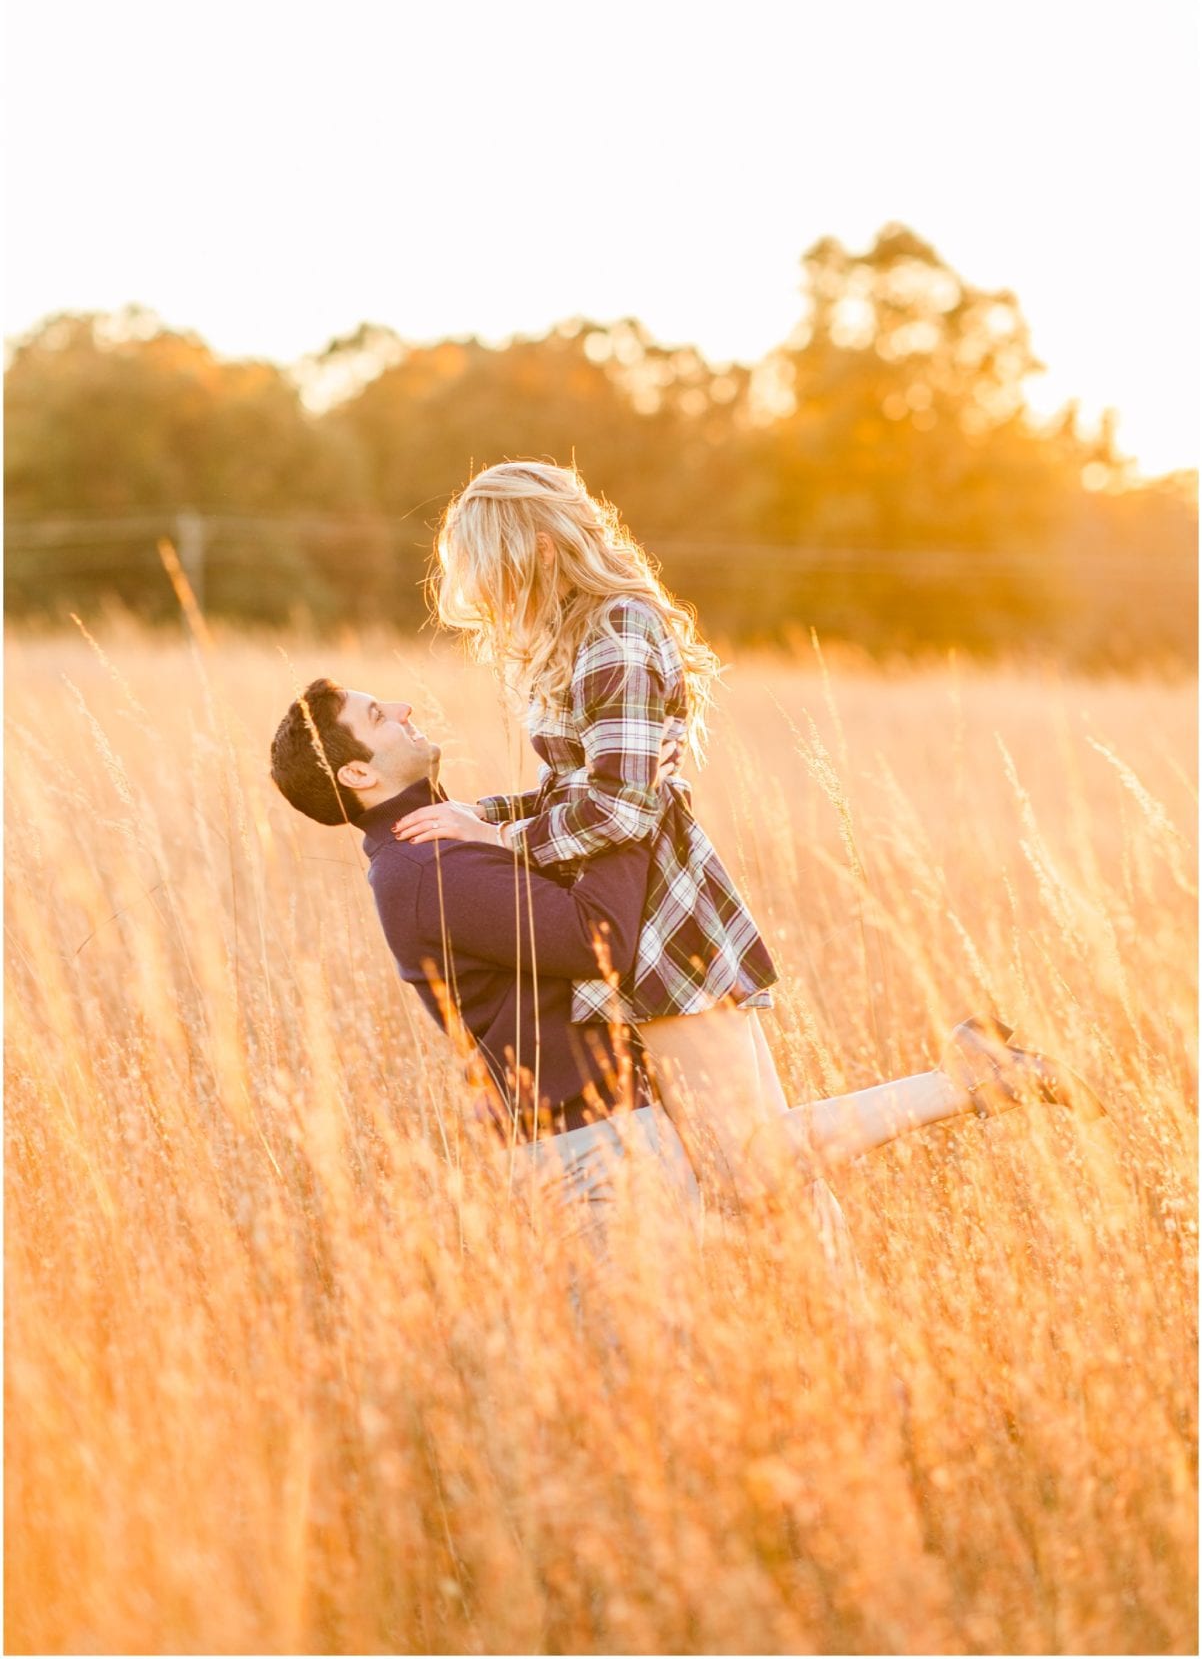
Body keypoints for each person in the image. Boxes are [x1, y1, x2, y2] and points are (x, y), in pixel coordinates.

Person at [390, 459, 1106, 1206]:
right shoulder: (584, 634)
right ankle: (843, 1296)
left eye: (491, 566)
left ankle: (966, 1081)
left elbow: (621, 810)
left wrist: (498, 842)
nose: (486, 593)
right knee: (760, 1174)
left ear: (540, 548)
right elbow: (583, 785)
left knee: (749, 1170)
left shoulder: (616, 633)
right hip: (632, 905)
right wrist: (491, 814)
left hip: (659, 913)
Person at [269, 672, 1106, 1255]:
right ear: (356, 772)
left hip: (624, 1128)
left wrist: (613, 793)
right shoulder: (423, 869)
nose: (406, 706)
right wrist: (637, 805)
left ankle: (972, 1082)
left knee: (760, 1178)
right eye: (380, 716)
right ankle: (968, 1084)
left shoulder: (438, 838)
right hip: (587, 1154)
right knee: (650, 1391)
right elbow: (591, 940)